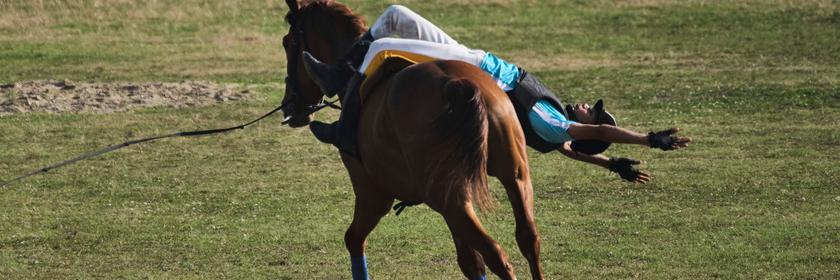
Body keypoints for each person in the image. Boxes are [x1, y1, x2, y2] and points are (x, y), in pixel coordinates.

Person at [302, 5, 690, 183]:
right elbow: (575, 152)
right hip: (473, 55)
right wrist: (613, 165)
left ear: (586, 128)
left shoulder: (556, 124)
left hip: (473, 65)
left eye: (594, 112)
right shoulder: (554, 133)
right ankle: (342, 82)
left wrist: (649, 139)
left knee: (382, 46)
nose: (589, 107)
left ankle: (337, 89)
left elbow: (594, 137)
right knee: (395, 17)